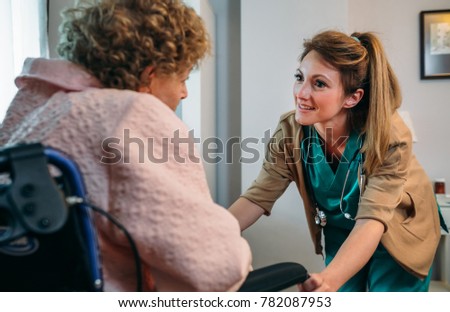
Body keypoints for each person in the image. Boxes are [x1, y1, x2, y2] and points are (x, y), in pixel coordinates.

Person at [0, 0, 252, 291]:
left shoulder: (34, 110)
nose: (184, 93)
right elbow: (213, 266)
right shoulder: (131, 113)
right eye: (182, 79)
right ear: (150, 74)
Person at [229, 30, 447, 292]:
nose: (301, 92)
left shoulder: (389, 136)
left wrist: (329, 280)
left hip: (398, 227)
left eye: (319, 83)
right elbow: (258, 196)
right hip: (341, 229)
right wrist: (206, 234)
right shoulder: (290, 131)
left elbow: (373, 219)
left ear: (352, 97)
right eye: (300, 78)